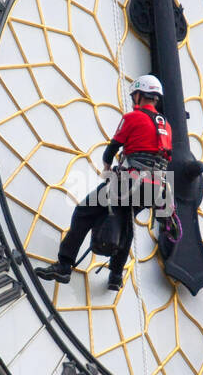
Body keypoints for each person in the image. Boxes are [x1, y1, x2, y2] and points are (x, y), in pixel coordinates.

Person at [33, 74, 172, 292]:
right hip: (155, 187)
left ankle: (64, 264)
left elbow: (112, 149)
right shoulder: (166, 126)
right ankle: (116, 275)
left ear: (140, 95)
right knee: (125, 220)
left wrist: (107, 166)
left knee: (84, 211)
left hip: (130, 181)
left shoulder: (133, 118)